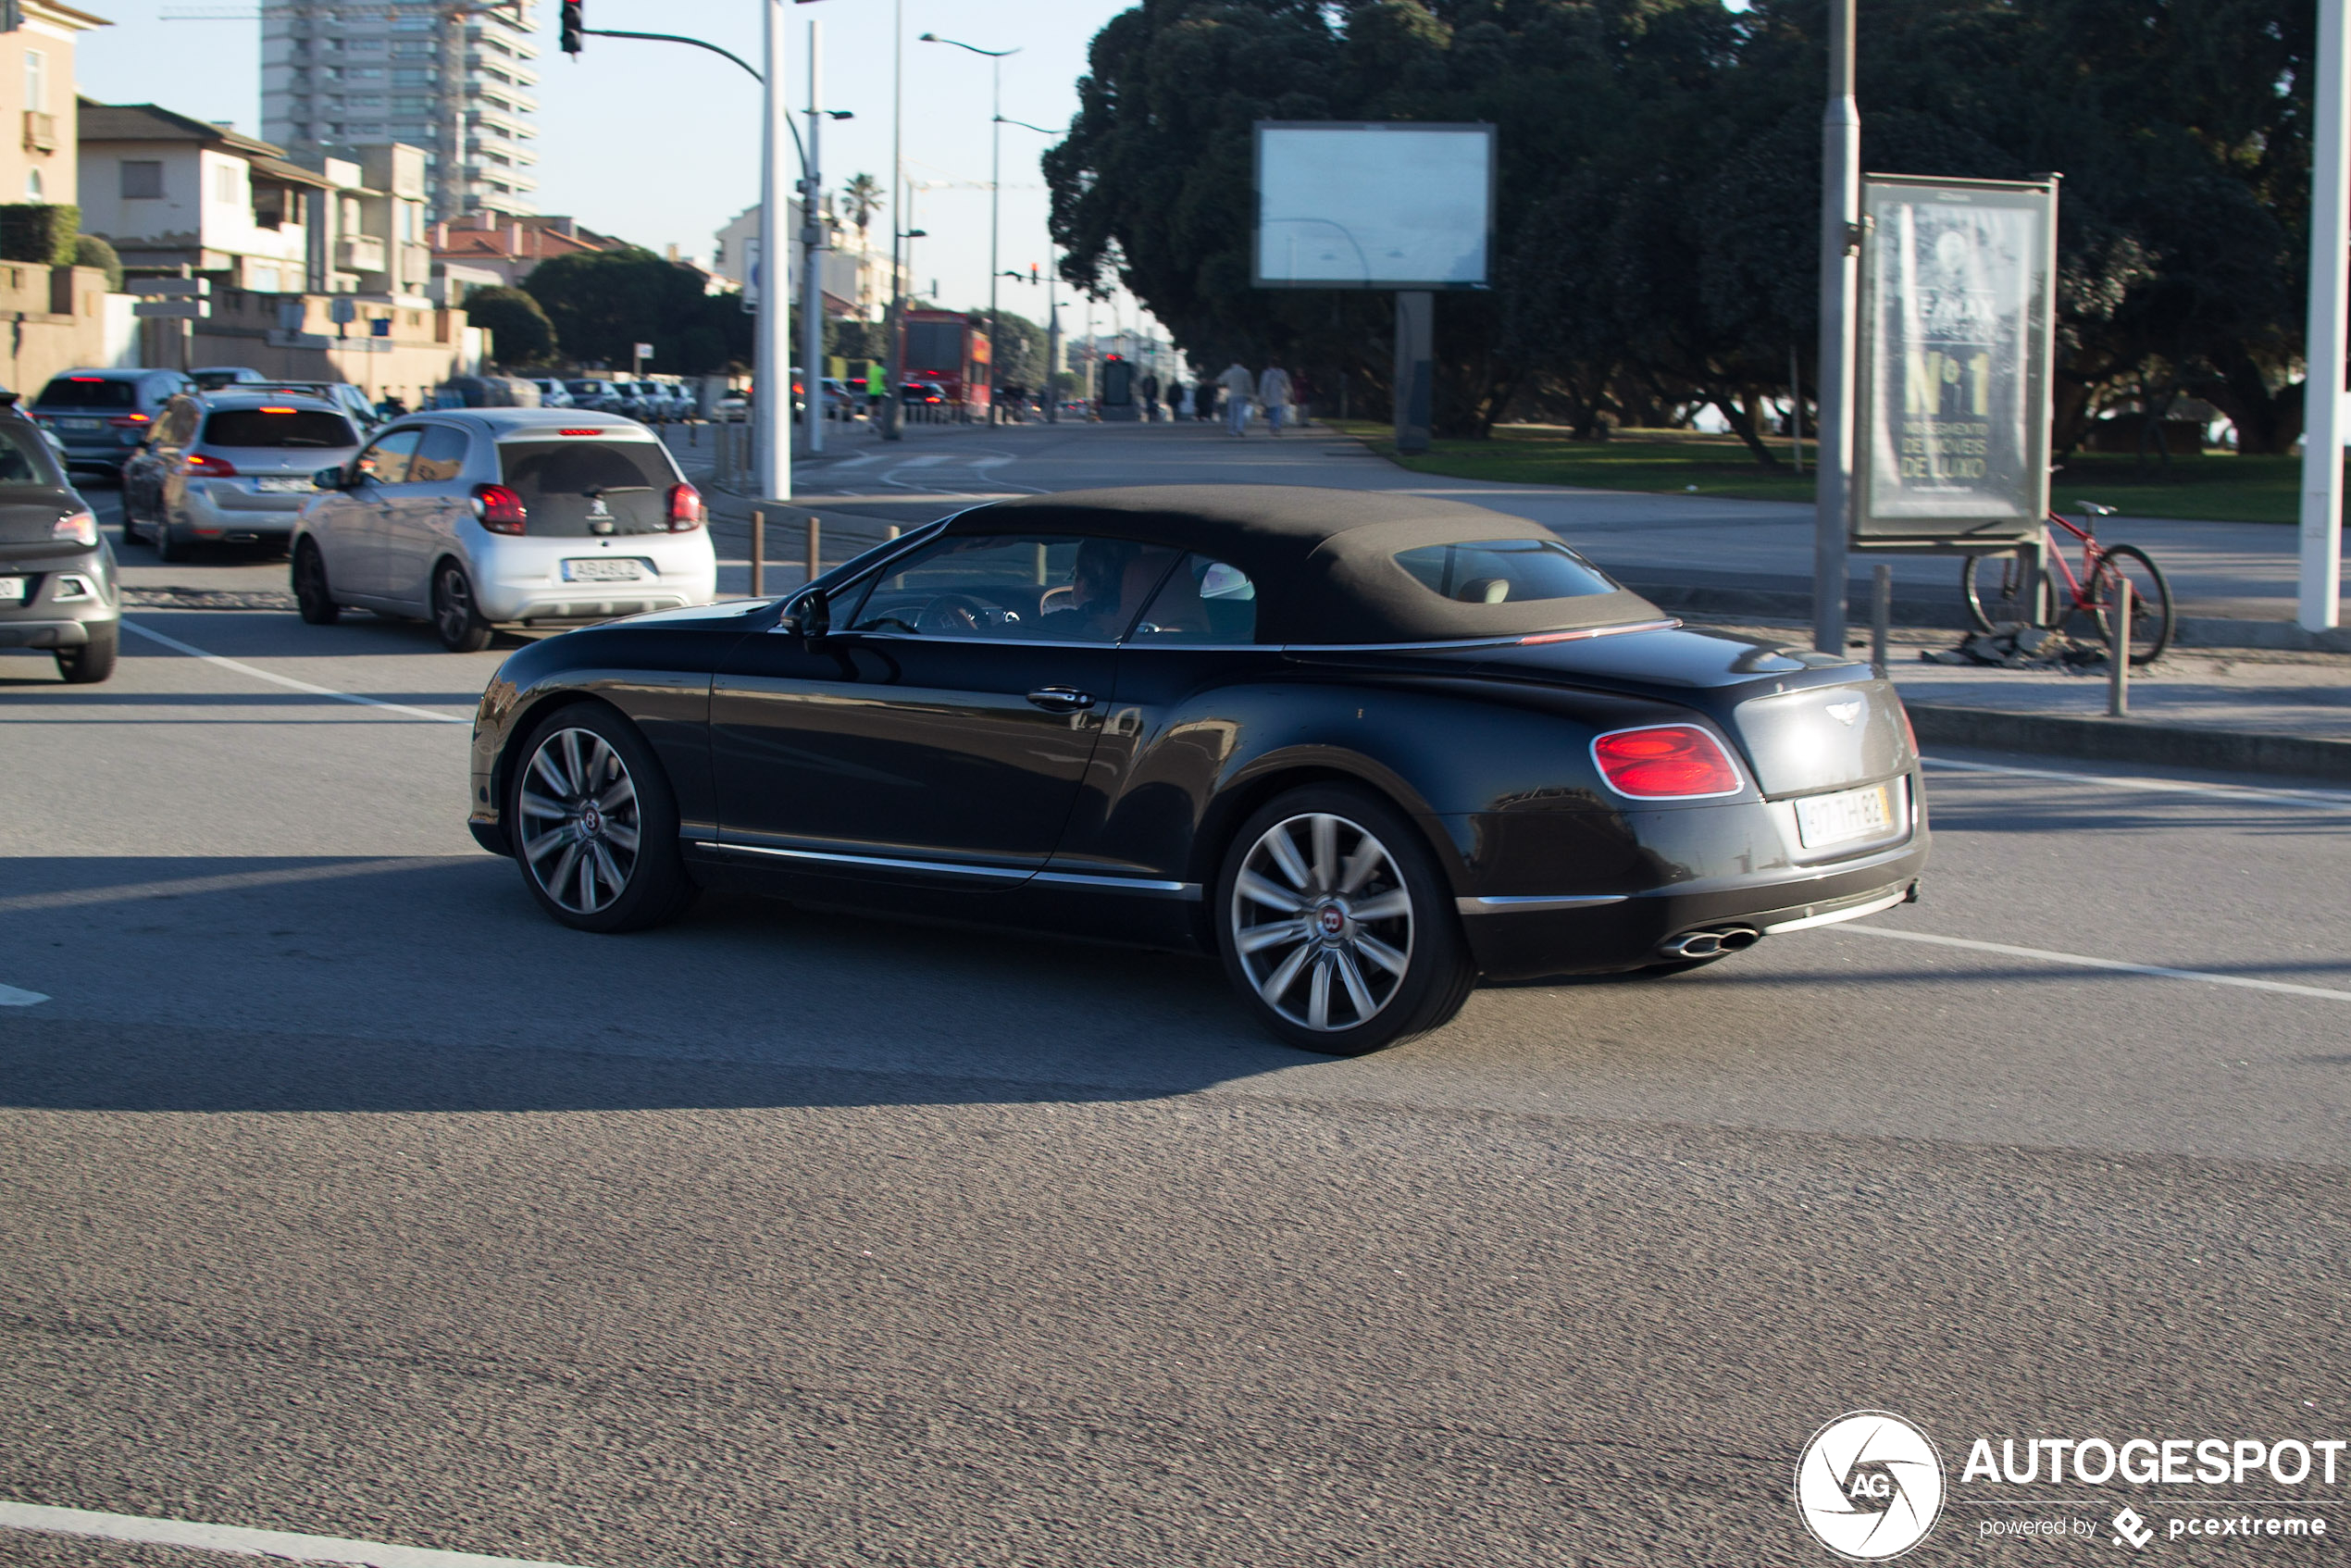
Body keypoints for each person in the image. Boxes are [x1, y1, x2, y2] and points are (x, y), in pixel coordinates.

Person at [1256, 362, 1294, 437]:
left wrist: (1262, 397)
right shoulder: (1282, 373)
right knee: (1278, 413)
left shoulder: (1266, 373)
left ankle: (1274, 426)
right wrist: (1290, 394)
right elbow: (1287, 384)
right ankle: (1276, 427)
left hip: (1270, 397)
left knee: (1273, 413)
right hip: (1280, 396)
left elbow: (1263, 386)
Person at [1219, 360, 1255, 437]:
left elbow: (1221, 380)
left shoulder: (1229, 372)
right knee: (1241, 413)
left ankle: (1231, 431)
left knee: (1232, 414)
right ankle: (1240, 429)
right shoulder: (1246, 372)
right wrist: (1251, 394)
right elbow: (1249, 385)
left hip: (1232, 395)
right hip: (1242, 395)